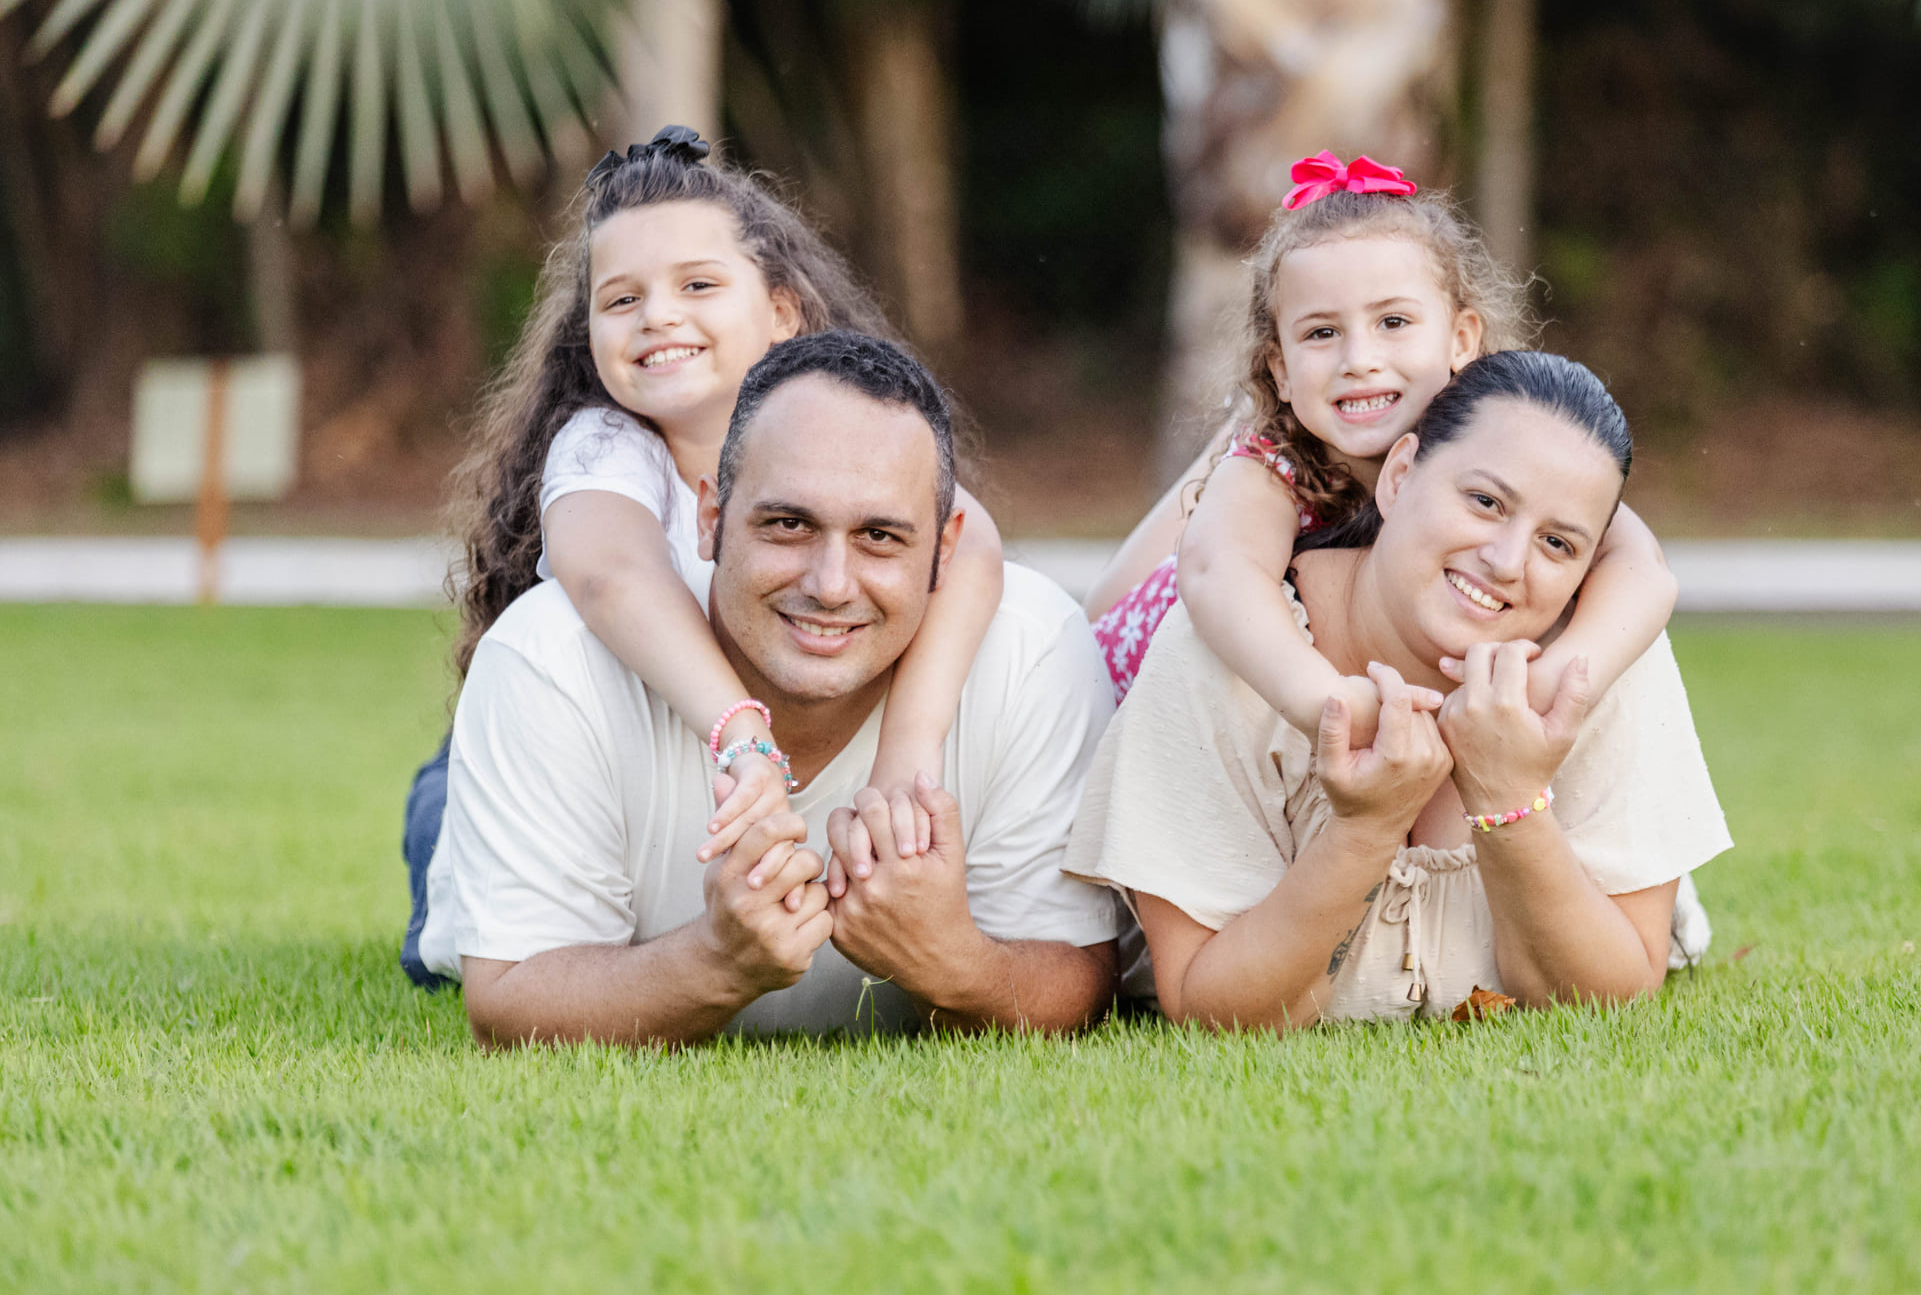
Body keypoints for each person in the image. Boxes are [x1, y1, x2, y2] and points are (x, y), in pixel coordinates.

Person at [399, 128, 1003, 986]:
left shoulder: (839, 434)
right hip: (563, 772)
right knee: (450, 896)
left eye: (697, 285)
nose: (658, 316)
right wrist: (741, 732)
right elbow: (609, 572)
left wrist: (908, 750)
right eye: (620, 300)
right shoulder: (605, 448)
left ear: (784, 313)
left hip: (701, 780)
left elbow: (970, 543)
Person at [416, 330, 1120, 1044]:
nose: (830, 585)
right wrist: (713, 962)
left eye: (879, 536)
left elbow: (1083, 974)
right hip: (489, 842)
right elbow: (506, 997)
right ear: (711, 517)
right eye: (788, 524)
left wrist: (956, 964)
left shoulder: (1033, 650)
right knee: (436, 863)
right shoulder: (551, 656)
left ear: (946, 545)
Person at [1065, 351, 1729, 1027]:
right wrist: (1365, 828)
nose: (1505, 563)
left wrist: (1511, 800)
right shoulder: (1229, 656)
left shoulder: (1602, 656)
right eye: (1484, 502)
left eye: (1557, 544)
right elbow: (1210, 1009)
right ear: (1400, 474)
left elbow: (1607, 997)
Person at [1084, 151, 1676, 744]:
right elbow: (1220, 571)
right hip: (1131, 718)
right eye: (1322, 333)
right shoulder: (1274, 466)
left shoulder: (1500, 442)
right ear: (1281, 368)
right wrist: (1327, 703)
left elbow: (1639, 566)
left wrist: (1560, 680)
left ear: (1462, 337)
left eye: (1393, 322)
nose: (1359, 360)